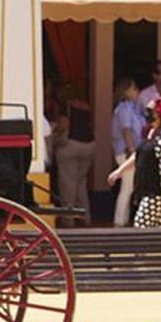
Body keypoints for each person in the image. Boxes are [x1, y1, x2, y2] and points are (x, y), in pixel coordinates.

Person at [113, 98, 161, 228]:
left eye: (151, 111)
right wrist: (120, 171)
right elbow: (139, 154)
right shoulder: (150, 131)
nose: (148, 115)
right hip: (148, 188)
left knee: (142, 224)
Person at [54, 95, 94, 227]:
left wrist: (54, 134)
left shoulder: (67, 104)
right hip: (89, 145)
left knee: (68, 184)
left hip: (71, 145)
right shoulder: (86, 105)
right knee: (81, 183)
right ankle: (86, 217)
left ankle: (68, 220)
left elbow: (64, 125)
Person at [110, 77, 143, 226]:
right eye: (133, 88)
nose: (137, 91)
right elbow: (126, 130)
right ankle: (119, 222)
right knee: (127, 187)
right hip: (126, 151)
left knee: (128, 188)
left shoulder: (132, 107)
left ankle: (123, 221)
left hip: (130, 151)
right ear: (126, 91)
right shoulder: (124, 108)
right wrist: (131, 149)